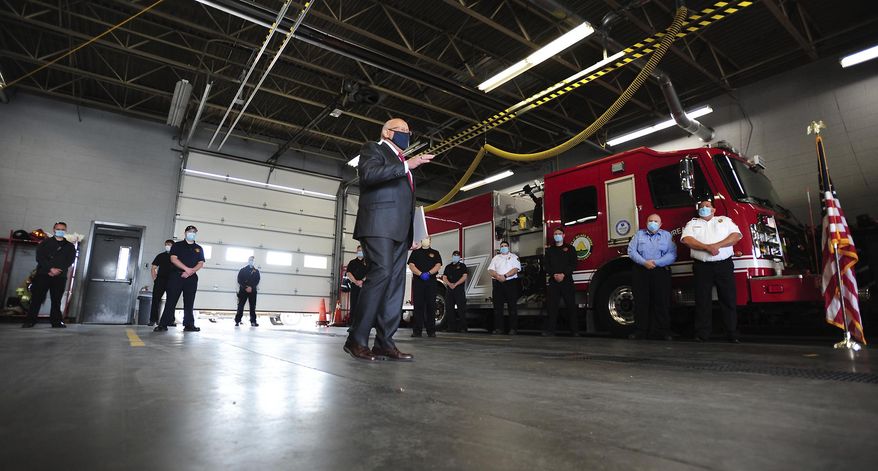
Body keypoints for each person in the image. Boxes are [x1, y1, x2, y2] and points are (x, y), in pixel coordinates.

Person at [344, 118, 433, 361]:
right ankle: (356, 339)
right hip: (378, 225)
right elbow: (369, 175)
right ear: (386, 132)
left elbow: (404, 202)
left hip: (399, 232)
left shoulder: (402, 161)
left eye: (408, 130)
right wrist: (407, 166)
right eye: (400, 130)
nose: (406, 134)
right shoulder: (373, 149)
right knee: (381, 274)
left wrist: (411, 234)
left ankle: (384, 342)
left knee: (395, 285)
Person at [681, 200, 742, 343]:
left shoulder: (725, 220)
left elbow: (736, 236)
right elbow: (687, 240)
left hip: (724, 265)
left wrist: (717, 245)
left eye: (707, 206)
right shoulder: (692, 223)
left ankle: (732, 333)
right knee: (702, 300)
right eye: (701, 207)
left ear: (714, 210)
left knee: (728, 299)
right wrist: (706, 247)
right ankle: (702, 334)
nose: (704, 208)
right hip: (702, 267)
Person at [627, 214, 677, 340]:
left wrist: (656, 263)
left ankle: (663, 331)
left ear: (660, 224)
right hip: (641, 271)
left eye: (656, 221)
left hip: (660, 271)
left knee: (662, 302)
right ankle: (640, 331)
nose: (653, 223)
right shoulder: (639, 235)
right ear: (646, 222)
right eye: (650, 221)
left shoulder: (667, 235)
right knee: (641, 302)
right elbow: (631, 251)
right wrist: (644, 262)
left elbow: (672, 254)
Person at [22, 222, 75, 328]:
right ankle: (30, 321)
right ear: (54, 230)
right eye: (58, 229)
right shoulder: (45, 243)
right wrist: (50, 269)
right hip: (43, 275)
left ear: (65, 230)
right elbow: (40, 258)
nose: (60, 231)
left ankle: (56, 322)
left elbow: (70, 260)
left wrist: (58, 270)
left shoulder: (69, 246)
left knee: (56, 300)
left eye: (62, 229)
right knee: (37, 298)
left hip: (60, 276)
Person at [154, 225, 205, 332]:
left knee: (189, 302)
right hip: (176, 276)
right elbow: (173, 259)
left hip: (191, 278)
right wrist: (186, 269)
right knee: (171, 301)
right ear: (185, 233)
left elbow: (200, 263)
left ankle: (189, 324)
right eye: (190, 231)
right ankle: (163, 324)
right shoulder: (177, 245)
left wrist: (190, 272)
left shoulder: (199, 248)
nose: (192, 233)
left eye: (194, 232)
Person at [543, 227, 580, 337]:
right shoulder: (549, 250)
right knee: (552, 307)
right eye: (555, 234)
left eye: (559, 233)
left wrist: (564, 274)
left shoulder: (570, 248)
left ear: (563, 235)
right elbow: (546, 265)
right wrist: (554, 274)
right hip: (553, 282)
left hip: (567, 280)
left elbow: (573, 264)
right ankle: (551, 331)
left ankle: (575, 331)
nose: (557, 235)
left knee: (571, 306)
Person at [407, 237, 442, 337]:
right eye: (424, 239)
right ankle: (417, 331)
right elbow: (411, 265)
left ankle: (431, 331)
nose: (425, 240)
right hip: (418, 282)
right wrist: (420, 274)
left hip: (431, 282)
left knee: (431, 306)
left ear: (430, 241)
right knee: (418, 306)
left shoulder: (435, 253)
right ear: (421, 241)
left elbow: (438, 265)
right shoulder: (415, 252)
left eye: (427, 239)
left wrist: (429, 273)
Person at [488, 241, 521, 335]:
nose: (503, 247)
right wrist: (498, 276)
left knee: (512, 307)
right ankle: (499, 328)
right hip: (498, 284)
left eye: (505, 246)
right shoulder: (496, 258)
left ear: (508, 247)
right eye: (502, 246)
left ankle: (513, 329)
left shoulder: (514, 257)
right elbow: (490, 270)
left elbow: (515, 269)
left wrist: (505, 276)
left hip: (510, 283)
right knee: (498, 307)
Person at [148, 239, 175, 327]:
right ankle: (153, 320)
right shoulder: (160, 256)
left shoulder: (176, 257)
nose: (167, 246)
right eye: (166, 244)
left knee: (171, 300)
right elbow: (153, 267)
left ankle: (170, 320)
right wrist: (155, 279)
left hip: (172, 281)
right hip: (160, 280)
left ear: (173, 246)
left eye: (169, 244)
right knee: (156, 299)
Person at [442, 250, 468, 333]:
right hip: (450, 289)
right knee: (449, 309)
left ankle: (463, 327)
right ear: (452, 256)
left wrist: (456, 284)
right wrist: (450, 284)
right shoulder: (448, 267)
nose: (455, 257)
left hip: (459, 289)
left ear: (459, 257)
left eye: (457, 255)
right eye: (454, 255)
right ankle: (451, 327)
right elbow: (444, 277)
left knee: (461, 309)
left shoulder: (463, 266)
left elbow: (464, 276)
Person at [345, 246, 368, 326]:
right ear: (356, 251)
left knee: (364, 304)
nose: (360, 252)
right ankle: (352, 323)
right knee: (354, 304)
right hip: (354, 286)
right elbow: (348, 273)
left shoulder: (368, 263)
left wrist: (362, 281)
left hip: (364, 287)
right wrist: (355, 281)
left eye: (361, 250)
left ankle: (363, 323)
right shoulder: (352, 262)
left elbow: (369, 273)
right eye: (359, 250)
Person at [235, 255, 260, 327]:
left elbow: (257, 280)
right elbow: (239, 280)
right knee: (240, 306)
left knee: (252, 307)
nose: (251, 261)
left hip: (253, 291)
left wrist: (251, 287)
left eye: (252, 260)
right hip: (243, 291)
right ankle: (237, 321)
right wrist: (246, 287)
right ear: (248, 261)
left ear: (254, 262)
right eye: (250, 260)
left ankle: (253, 321)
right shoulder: (242, 270)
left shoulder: (256, 271)